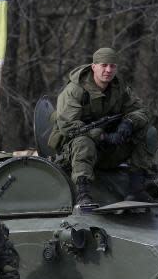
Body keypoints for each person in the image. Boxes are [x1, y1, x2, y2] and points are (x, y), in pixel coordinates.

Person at [48, 47, 152, 208]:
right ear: (93, 66)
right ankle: (83, 195)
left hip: (109, 150)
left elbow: (143, 111)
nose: (108, 70)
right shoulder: (74, 90)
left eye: (112, 66)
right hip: (74, 154)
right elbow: (68, 126)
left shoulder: (119, 88)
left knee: (146, 131)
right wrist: (102, 136)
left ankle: (137, 188)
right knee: (82, 142)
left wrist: (128, 123)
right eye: (104, 65)